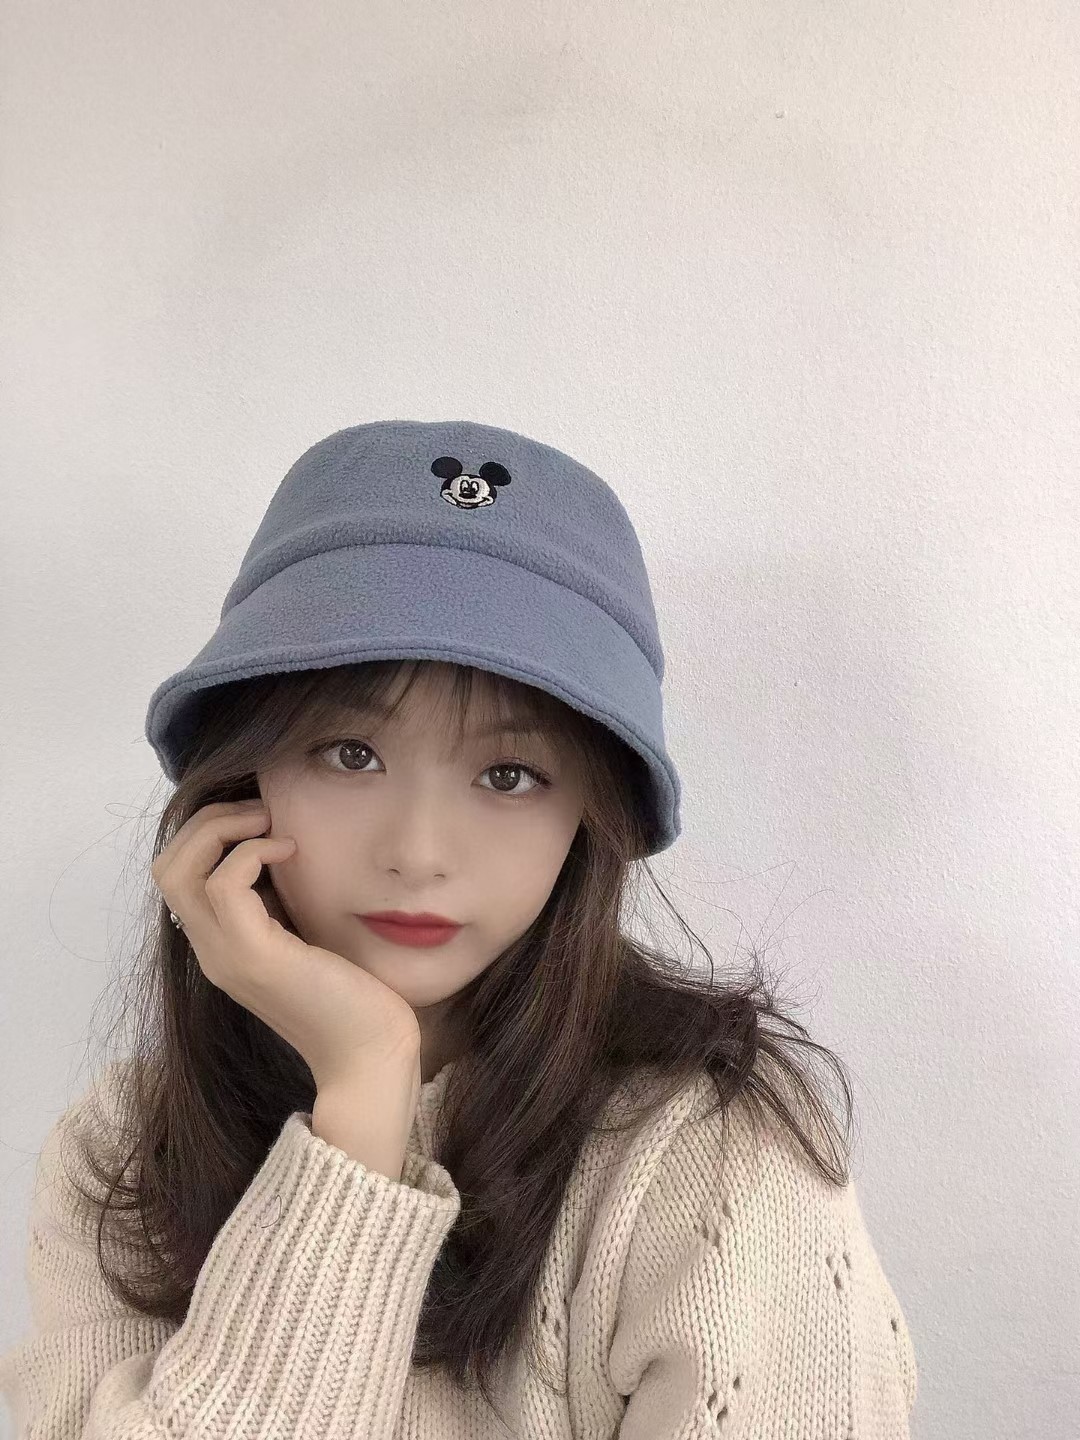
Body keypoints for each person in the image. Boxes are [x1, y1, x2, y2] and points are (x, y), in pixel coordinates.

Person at [0, 419, 918, 1437]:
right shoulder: (129, 1144)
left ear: (591, 818)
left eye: (509, 774)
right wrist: (364, 1092)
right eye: (350, 754)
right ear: (244, 776)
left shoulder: (712, 1153)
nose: (419, 851)